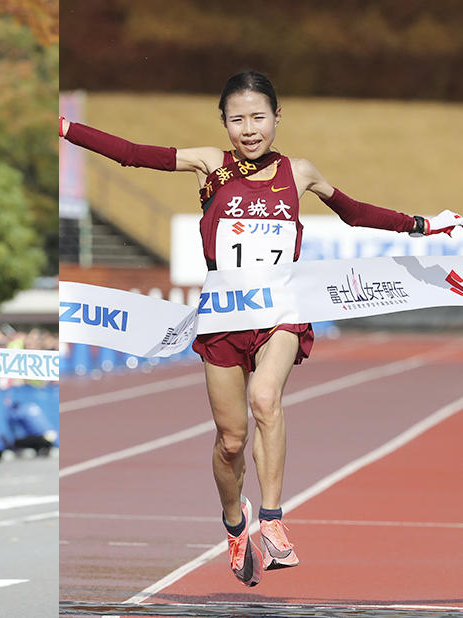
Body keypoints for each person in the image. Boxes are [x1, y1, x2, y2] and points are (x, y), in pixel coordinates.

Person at [60, 70, 463, 587]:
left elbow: (355, 213)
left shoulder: (300, 172)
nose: (249, 129)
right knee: (230, 440)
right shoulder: (211, 164)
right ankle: (235, 522)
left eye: (258, 117)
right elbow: (133, 154)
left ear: (276, 117)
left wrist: (425, 224)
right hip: (223, 319)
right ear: (224, 123)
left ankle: (272, 521)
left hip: (281, 311)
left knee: (266, 400)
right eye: (237, 119)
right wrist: (66, 127)